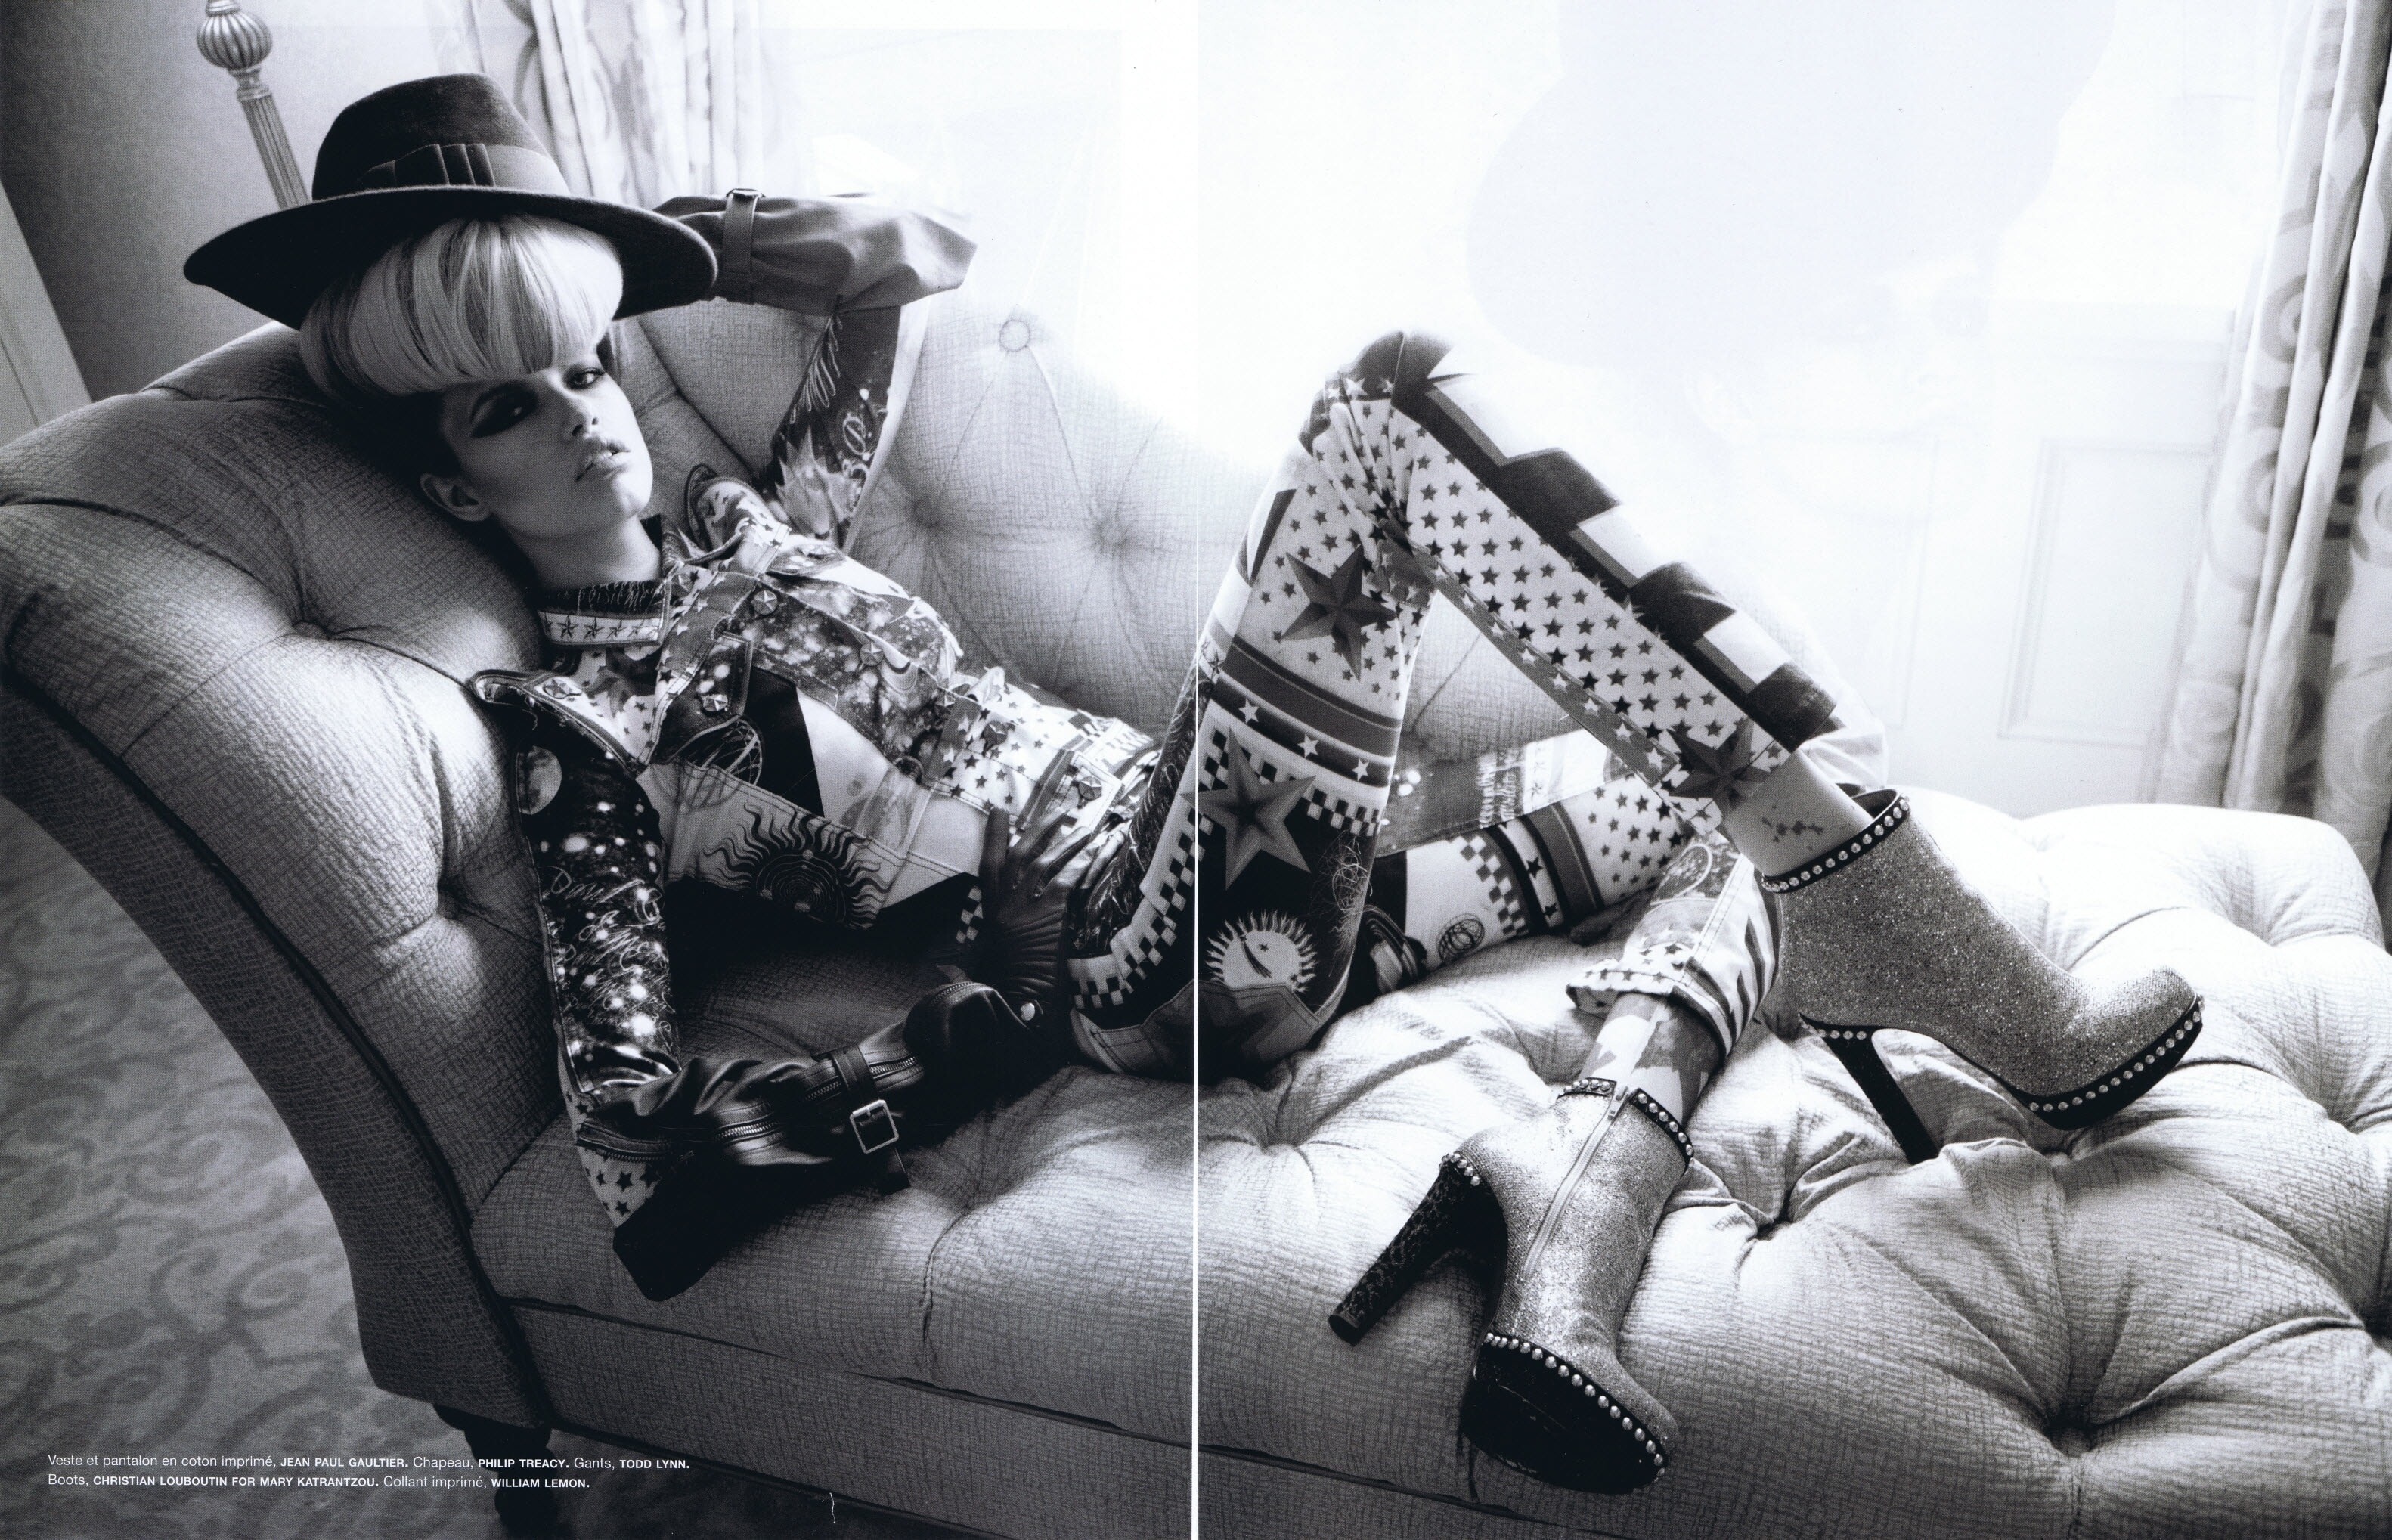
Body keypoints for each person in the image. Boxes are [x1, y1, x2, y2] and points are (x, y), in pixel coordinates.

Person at [185, 73, 2206, 1494]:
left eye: (584, 360)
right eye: (507, 407)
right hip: (1139, 962)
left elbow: (902, 257)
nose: (582, 418)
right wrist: (957, 1047)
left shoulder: (758, 522)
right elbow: (637, 1165)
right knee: (1391, 402)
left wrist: (656, 244)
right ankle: (1880, 922)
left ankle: (1572, 1199)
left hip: (1253, 885)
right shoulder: (581, 739)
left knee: (1731, 788)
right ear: (452, 484)